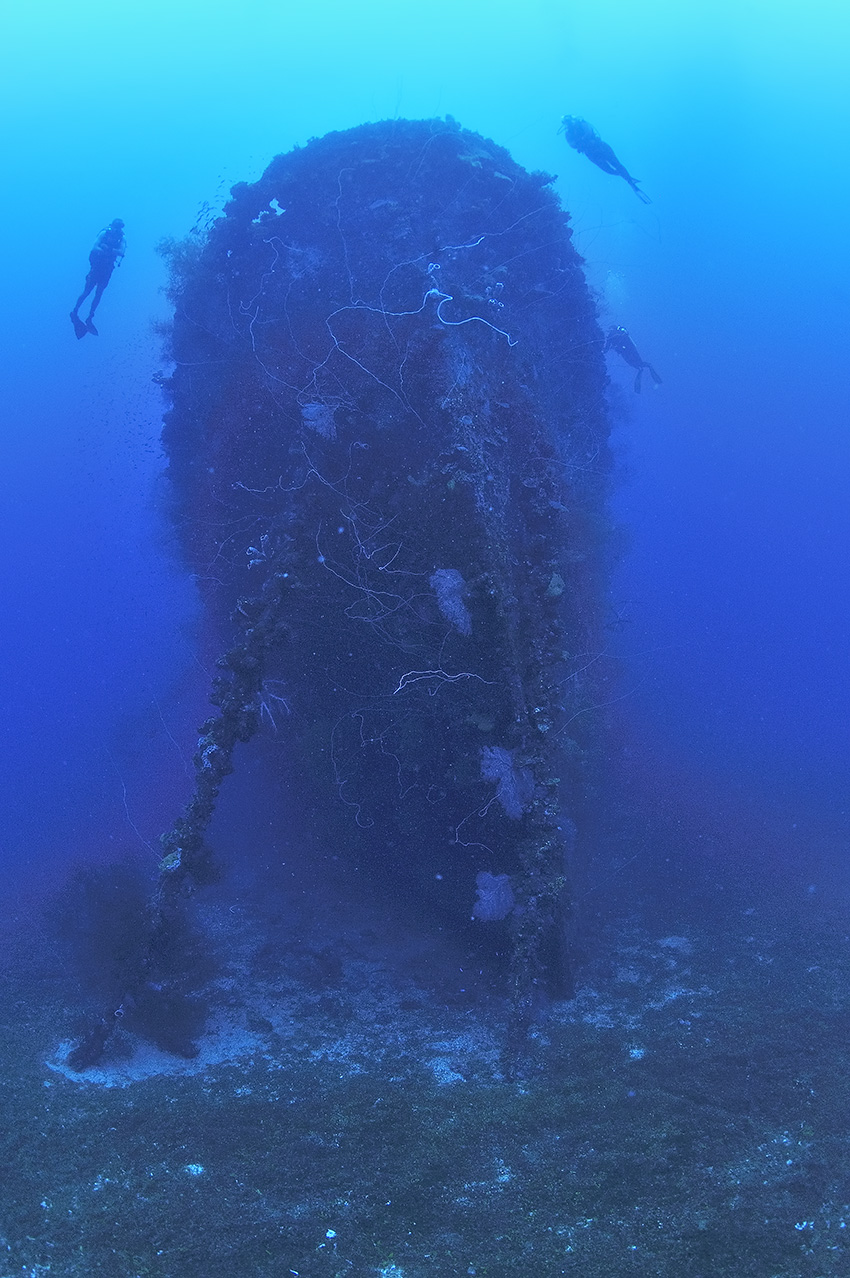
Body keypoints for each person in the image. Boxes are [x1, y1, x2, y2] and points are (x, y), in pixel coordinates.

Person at [559, 117, 651, 204]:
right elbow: (572, 145)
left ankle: (629, 180)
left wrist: (582, 141)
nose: (569, 124)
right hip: (593, 152)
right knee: (610, 170)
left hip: (599, 148)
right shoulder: (568, 134)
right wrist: (581, 142)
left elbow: (588, 132)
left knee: (616, 165)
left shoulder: (581, 124)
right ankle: (628, 179)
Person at [70, 219, 126, 338]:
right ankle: (75, 311)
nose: (117, 229)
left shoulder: (121, 239)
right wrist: (106, 251)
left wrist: (109, 250)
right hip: (97, 267)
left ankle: (90, 316)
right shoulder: (103, 234)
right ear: (112, 226)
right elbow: (94, 247)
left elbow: (122, 252)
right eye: (116, 227)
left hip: (107, 269)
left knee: (99, 293)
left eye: (119, 227)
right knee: (87, 291)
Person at [604, 325, 662, 393]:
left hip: (625, 352)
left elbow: (606, 349)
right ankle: (647, 367)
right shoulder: (622, 333)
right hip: (632, 349)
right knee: (639, 363)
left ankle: (642, 369)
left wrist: (603, 350)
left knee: (633, 364)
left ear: (611, 329)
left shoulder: (611, 335)